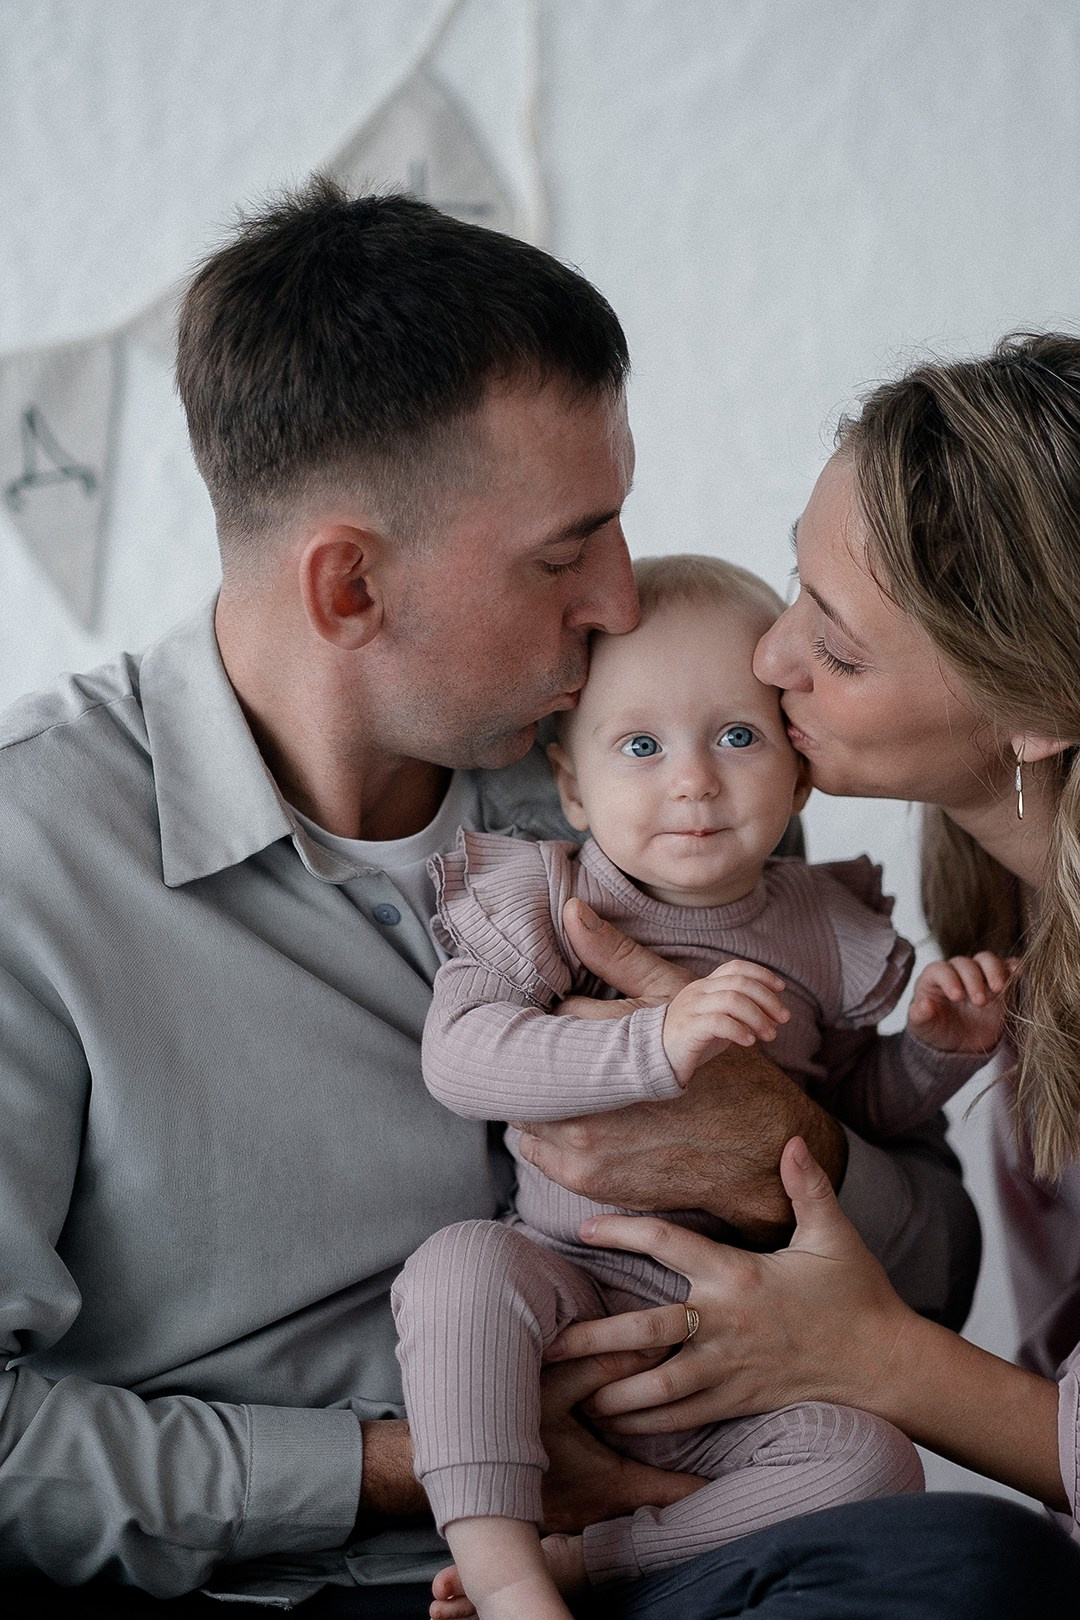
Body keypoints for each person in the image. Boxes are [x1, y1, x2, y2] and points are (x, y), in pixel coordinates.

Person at [0, 176, 979, 1615]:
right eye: (563, 550)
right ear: (347, 590)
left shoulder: (632, 777)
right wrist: (415, 1465)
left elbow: (940, 1269)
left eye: (618, 525)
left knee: (972, 1566)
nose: (623, 598)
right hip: (270, 1576)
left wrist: (786, 1147)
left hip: (683, 1518)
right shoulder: (34, 860)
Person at [537, 332, 1080, 1614]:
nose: (770, 660)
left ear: (1033, 712)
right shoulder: (979, 906)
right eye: (795, 585)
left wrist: (865, 1353)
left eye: (836, 648)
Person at [392, 552, 1013, 1620]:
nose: (693, 780)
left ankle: (610, 1559)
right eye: (640, 746)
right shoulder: (550, 898)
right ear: (573, 786)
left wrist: (936, 1054)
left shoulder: (823, 926)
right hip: (564, 1285)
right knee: (455, 1273)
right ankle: (506, 1578)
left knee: (874, 1462)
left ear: (799, 768)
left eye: (737, 736)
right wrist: (654, 1042)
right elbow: (461, 1058)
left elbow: (858, 1114)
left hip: (748, 1333)